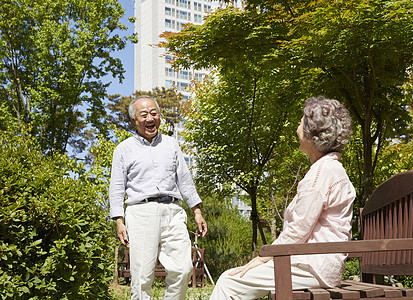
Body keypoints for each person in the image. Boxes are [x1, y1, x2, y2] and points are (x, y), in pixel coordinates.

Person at [210, 96, 355, 299]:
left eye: (302, 121)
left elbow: (299, 230)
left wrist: (262, 258)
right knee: (232, 279)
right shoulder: (329, 169)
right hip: (316, 263)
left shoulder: (322, 173)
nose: (298, 125)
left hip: (313, 266)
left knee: (229, 282)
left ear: (314, 134)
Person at [109, 95, 207, 300]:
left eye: (154, 113)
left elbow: (185, 179)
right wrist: (118, 220)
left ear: (159, 117)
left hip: (173, 211)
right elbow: (117, 186)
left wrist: (196, 210)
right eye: (143, 115)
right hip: (140, 212)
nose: (150, 118)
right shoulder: (123, 149)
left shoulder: (171, 145)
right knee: (142, 277)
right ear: (134, 121)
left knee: (183, 269)